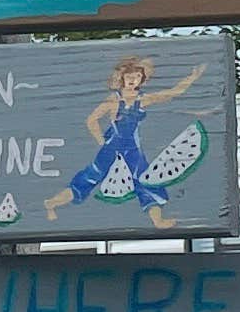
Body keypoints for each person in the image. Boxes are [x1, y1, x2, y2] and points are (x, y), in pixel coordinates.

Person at [46, 54, 177, 226]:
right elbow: (91, 120)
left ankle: (157, 220)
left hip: (132, 149)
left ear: (142, 79)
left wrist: (192, 78)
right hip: (113, 147)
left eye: (137, 76)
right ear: (122, 77)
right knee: (90, 177)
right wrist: (101, 141)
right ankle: (52, 203)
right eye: (129, 76)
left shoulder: (142, 99)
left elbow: (170, 94)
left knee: (146, 180)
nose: (133, 80)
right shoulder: (115, 100)